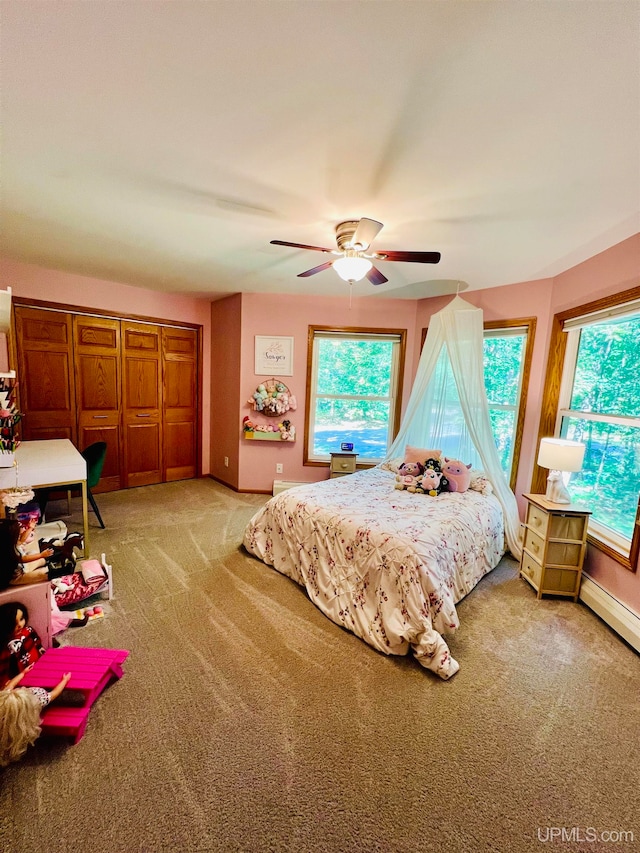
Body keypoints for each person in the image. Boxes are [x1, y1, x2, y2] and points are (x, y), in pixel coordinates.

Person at [0, 669, 72, 767]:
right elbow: (54, 693)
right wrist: (65, 680)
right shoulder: (38, 700)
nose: (23, 687)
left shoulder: (6, 701)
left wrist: (22, 673)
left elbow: (10, 685)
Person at [0, 601, 46, 688]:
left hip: (34, 666)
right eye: (14, 623)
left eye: (21, 619)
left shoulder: (28, 630)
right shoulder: (5, 645)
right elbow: (3, 667)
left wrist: (40, 648)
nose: (20, 625)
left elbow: (36, 640)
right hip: (17, 676)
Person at [0, 517, 49, 589]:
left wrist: (30, 528)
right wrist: (41, 555)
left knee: (40, 559)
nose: (22, 527)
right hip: (16, 577)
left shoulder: (12, 543)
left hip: (23, 567)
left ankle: (51, 560)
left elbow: (22, 540)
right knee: (41, 574)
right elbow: (24, 559)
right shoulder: (11, 552)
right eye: (20, 527)